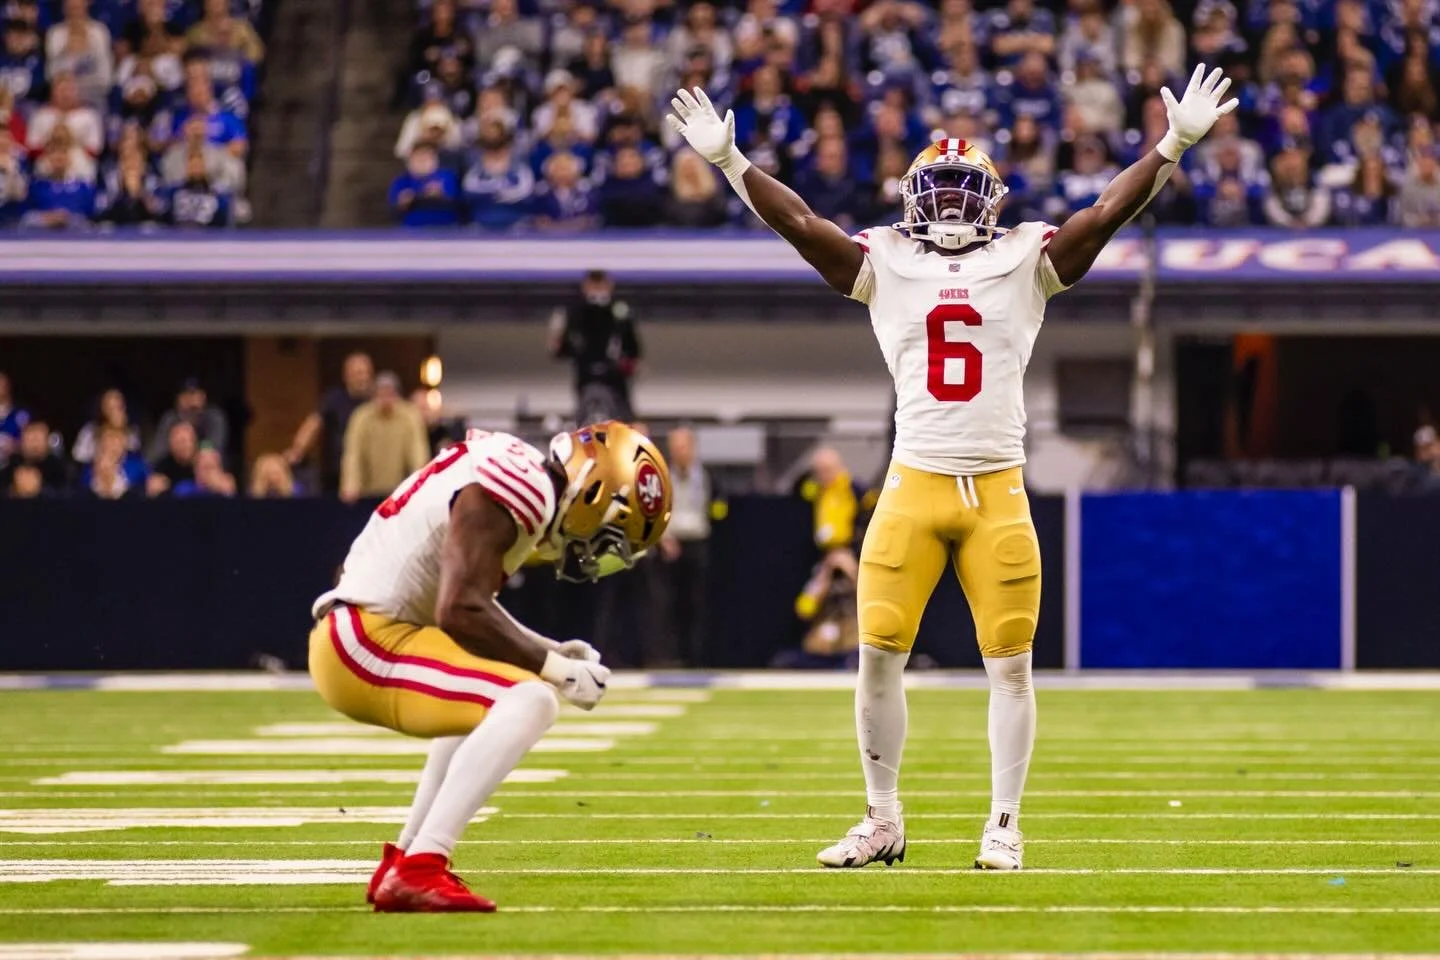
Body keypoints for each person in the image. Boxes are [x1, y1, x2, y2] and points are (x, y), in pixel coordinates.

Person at [668, 63, 1237, 870]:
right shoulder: (885, 259)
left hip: (996, 487)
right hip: (914, 484)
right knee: (876, 656)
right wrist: (731, 163)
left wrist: (1171, 145)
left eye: (963, 191)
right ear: (912, 197)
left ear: (991, 200)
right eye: (936, 190)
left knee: (1011, 668)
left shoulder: (1027, 257)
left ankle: (1005, 824)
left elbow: (1106, 211)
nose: (948, 205)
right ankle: (882, 820)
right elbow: (799, 222)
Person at [309, 422, 672, 911]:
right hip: (364, 642)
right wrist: (556, 671)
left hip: (366, 628)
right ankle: (422, 866)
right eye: (611, 537)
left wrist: (547, 650)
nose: (598, 555)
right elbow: (460, 610)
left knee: (497, 687)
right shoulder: (526, 490)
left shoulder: (514, 468)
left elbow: (467, 604)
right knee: (533, 700)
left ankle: (406, 859)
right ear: (596, 494)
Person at [654, 426, 722, 666]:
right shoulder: (662, 477)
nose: (679, 452)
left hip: (698, 543)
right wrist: (664, 538)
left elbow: (717, 510)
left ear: (693, 448)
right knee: (666, 603)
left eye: (683, 447)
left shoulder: (706, 477)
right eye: (675, 447)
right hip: (670, 543)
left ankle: (697, 656)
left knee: (697, 603)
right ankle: (668, 655)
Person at [547, 269, 642, 424]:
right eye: (594, 285)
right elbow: (563, 348)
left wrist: (629, 363)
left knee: (621, 417)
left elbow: (632, 347)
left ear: (609, 285)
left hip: (615, 377)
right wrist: (557, 343)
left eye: (601, 285)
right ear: (585, 286)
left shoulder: (620, 311)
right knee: (587, 416)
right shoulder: (575, 312)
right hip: (586, 376)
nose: (597, 290)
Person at [284, 351, 374, 494]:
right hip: (337, 471)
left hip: (372, 473)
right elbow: (314, 423)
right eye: (357, 373)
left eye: (365, 373)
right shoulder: (334, 399)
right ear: (346, 376)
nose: (362, 378)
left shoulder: (378, 400)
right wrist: (298, 450)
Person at [339, 371, 431, 502]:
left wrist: (419, 484)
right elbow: (353, 453)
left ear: (396, 395)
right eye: (381, 395)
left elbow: (418, 451)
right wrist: (351, 484)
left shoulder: (409, 416)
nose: (385, 399)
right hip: (367, 492)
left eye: (389, 394)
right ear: (374, 396)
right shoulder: (361, 417)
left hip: (401, 493)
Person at [148, 378, 228, 464]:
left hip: (206, 465)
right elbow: (157, 452)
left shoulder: (213, 417)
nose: (190, 400)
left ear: (203, 397)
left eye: (193, 394)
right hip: (176, 465)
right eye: (185, 395)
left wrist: (193, 449)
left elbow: (215, 447)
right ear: (178, 399)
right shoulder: (170, 419)